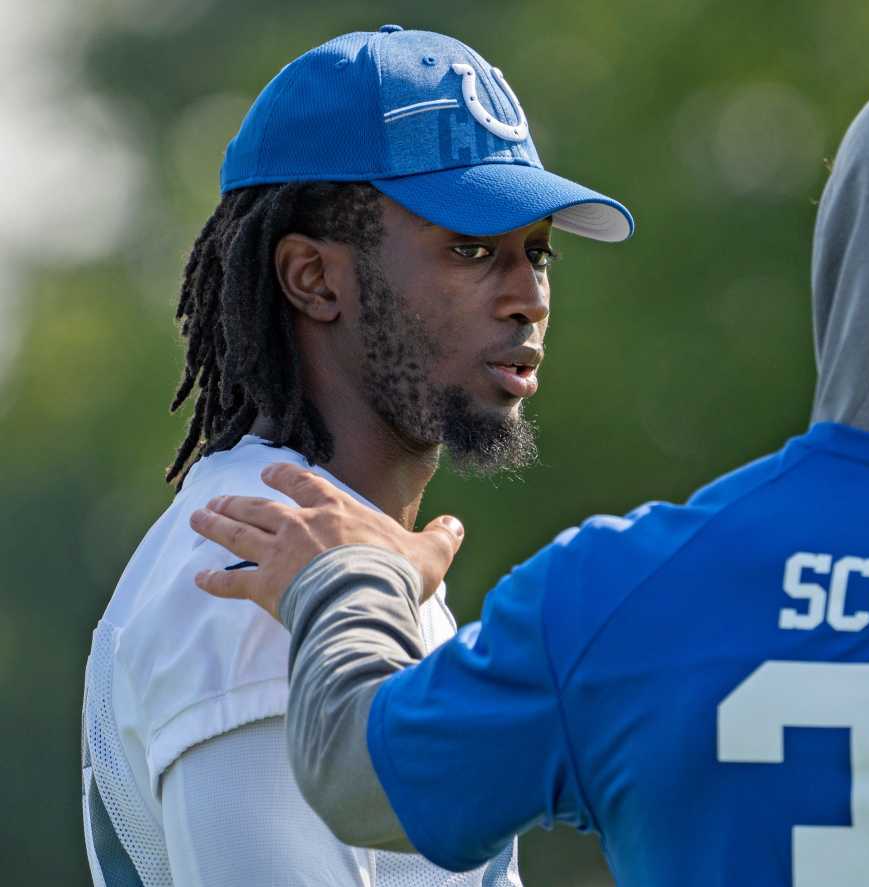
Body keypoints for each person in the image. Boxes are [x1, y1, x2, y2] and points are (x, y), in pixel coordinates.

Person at [193, 49, 869, 885]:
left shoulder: (621, 590)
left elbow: (356, 771)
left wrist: (344, 578)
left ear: (848, 241)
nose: (529, 296)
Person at [80, 25, 633, 887]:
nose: (528, 297)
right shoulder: (253, 577)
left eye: (538, 252)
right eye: (471, 248)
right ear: (313, 279)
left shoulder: (352, 560)